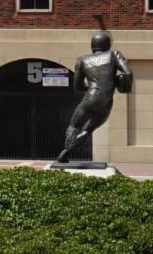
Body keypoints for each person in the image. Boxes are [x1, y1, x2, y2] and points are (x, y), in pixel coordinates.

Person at [54, 32, 132, 164]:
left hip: (90, 98)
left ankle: (64, 152)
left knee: (73, 126)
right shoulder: (114, 54)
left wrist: (90, 86)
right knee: (88, 130)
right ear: (107, 45)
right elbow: (128, 73)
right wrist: (124, 87)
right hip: (106, 102)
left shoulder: (82, 60)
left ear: (92, 46)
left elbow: (77, 86)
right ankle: (65, 153)